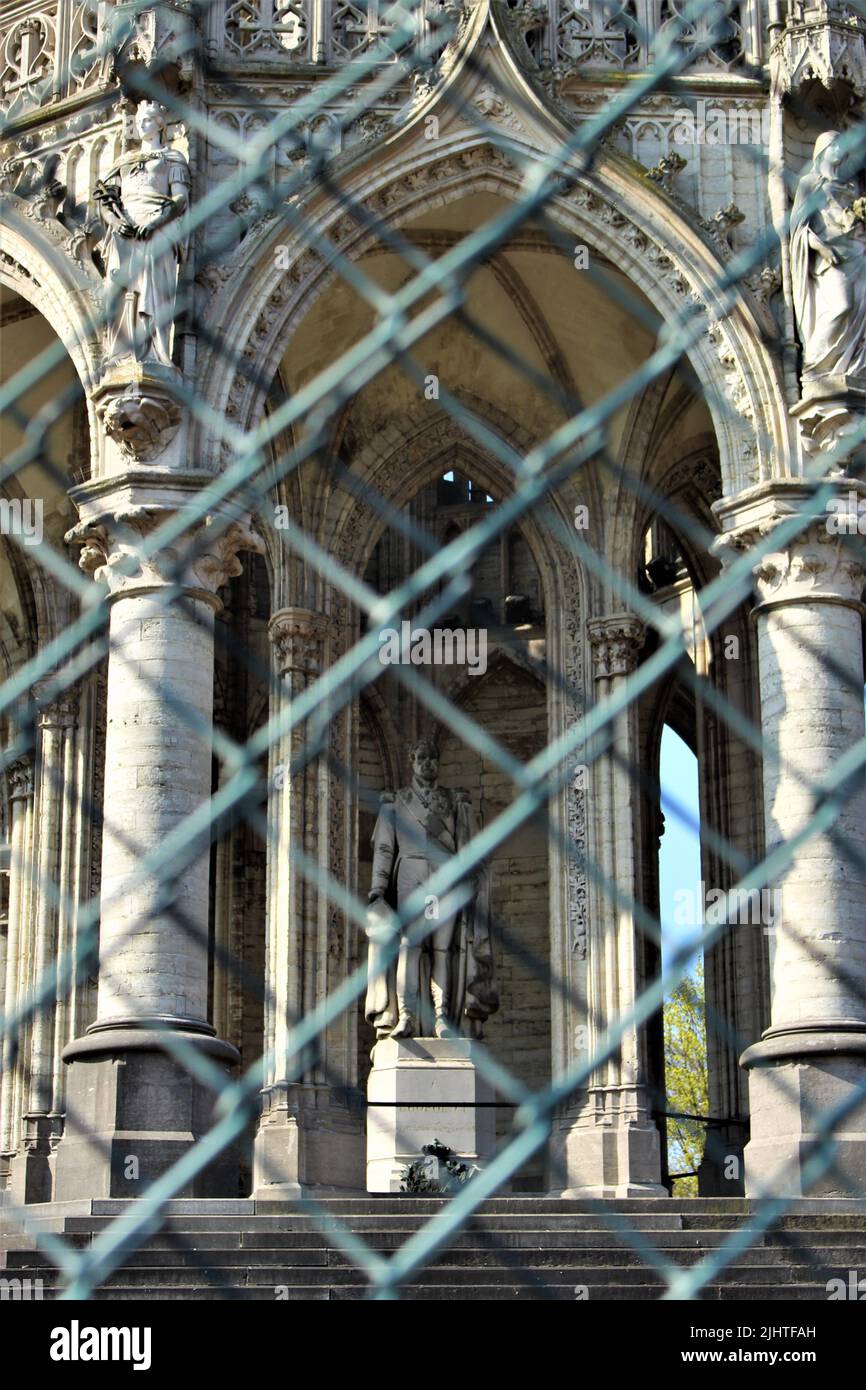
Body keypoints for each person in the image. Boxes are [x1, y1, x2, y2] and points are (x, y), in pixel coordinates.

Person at [364, 737, 498, 1041]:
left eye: (433, 758)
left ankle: (441, 1017)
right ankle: (407, 1015)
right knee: (409, 946)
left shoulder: (453, 801)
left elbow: (467, 846)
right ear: (412, 762)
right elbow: (385, 849)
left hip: (445, 880)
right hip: (410, 881)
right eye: (422, 758)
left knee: (442, 949)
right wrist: (377, 892)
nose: (428, 764)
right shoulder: (395, 803)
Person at [94, 101, 190, 368]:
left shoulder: (172, 158)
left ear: (160, 124)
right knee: (119, 286)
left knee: (155, 287)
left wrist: (157, 222)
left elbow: (180, 200)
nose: (141, 125)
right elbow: (106, 200)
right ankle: (121, 351)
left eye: (147, 120)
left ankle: (156, 353)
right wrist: (115, 220)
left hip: (157, 226)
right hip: (124, 228)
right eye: (138, 120)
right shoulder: (123, 161)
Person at [790, 130, 866, 382]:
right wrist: (821, 248)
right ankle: (817, 366)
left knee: (860, 310)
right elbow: (799, 228)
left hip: (856, 251)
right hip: (829, 256)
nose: (840, 151)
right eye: (835, 146)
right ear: (822, 150)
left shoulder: (852, 186)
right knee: (841, 306)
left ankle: (853, 366)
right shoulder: (809, 183)